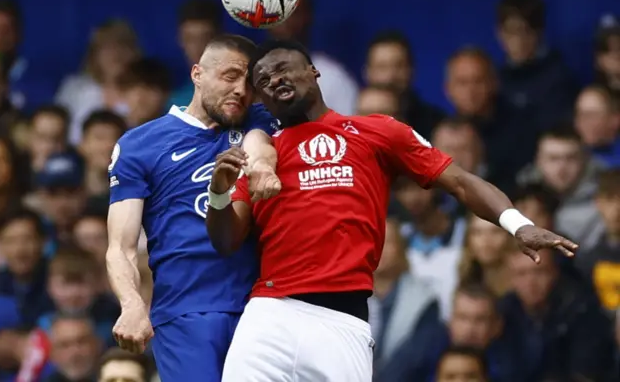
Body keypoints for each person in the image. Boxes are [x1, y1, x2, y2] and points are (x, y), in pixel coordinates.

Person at [206, 39, 579, 382]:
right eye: (264, 78)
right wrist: (219, 192)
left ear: (313, 72)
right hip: (270, 313)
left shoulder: (377, 131)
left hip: (342, 321)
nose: (275, 79)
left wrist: (517, 224)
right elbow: (226, 240)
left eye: (284, 67)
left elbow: (461, 182)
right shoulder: (260, 158)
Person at [106, 34, 280, 382]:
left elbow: (263, 147)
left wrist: (262, 166)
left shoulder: (261, 121)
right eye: (230, 76)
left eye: (249, 83)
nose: (240, 91)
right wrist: (132, 304)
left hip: (262, 308)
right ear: (197, 74)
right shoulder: (140, 145)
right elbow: (120, 247)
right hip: (186, 313)